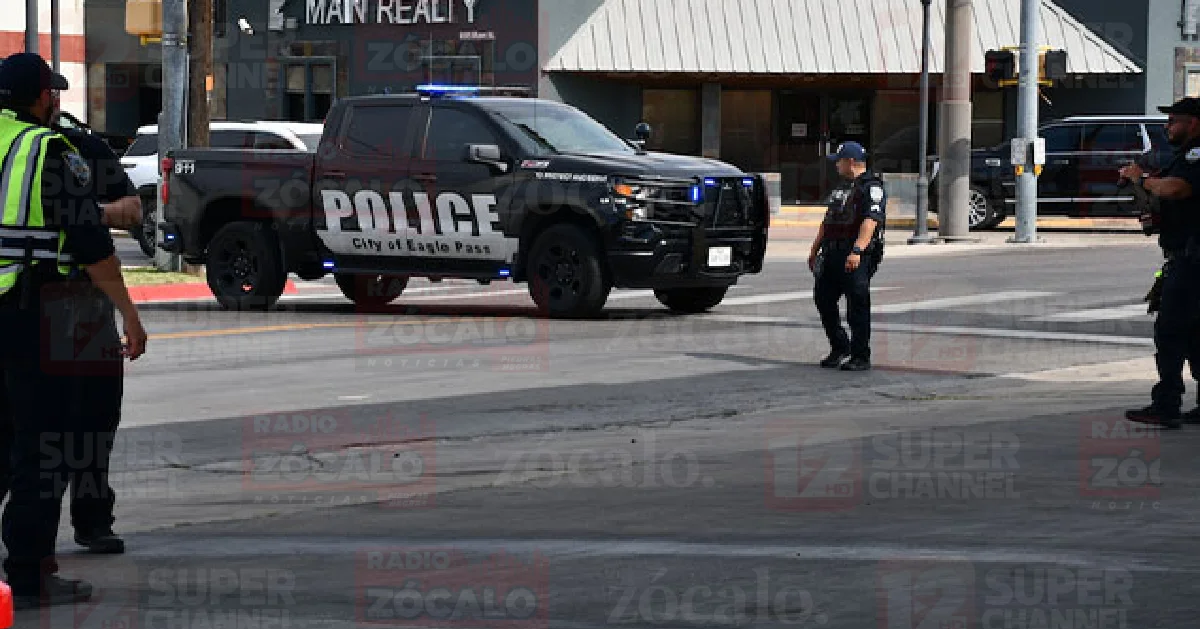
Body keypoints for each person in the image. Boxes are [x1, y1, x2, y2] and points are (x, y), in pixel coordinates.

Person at [0, 52, 147, 609]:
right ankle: (30, 578)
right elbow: (91, 245)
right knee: (43, 448)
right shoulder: (50, 150)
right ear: (43, 97)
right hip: (39, 313)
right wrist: (129, 313)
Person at [54, 109, 142, 554]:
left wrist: (91, 213)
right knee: (30, 428)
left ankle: (92, 521)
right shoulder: (29, 150)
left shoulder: (81, 148)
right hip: (26, 303)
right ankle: (33, 542)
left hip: (84, 303)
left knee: (95, 418)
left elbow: (132, 210)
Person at [1120, 97, 1200, 429]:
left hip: (1192, 260)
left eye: (1173, 121)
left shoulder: (1196, 155)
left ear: (1193, 123)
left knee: (1170, 331)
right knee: (1194, 333)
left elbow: (1178, 189)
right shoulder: (1185, 155)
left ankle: (1166, 404)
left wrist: (1143, 179)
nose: (1167, 127)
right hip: (1185, 256)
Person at [808, 141, 886, 372]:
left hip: (855, 253)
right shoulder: (842, 187)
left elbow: (870, 221)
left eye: (839, 161)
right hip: (832, 251)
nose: (836, 166)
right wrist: (814, 249)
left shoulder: (871, 187)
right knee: (823, 298)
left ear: (851, 162)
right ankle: (840, 346)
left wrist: (857, 251)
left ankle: (860, 355)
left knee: (856, 304)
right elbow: (828, 221)